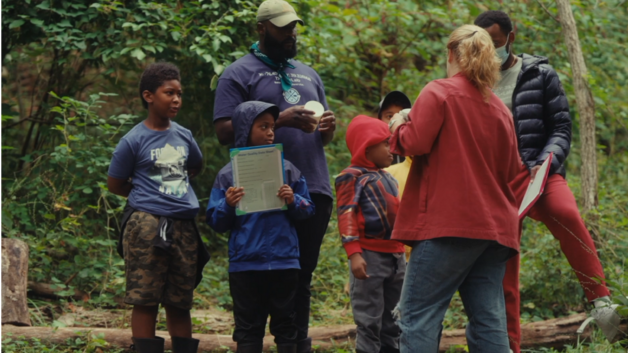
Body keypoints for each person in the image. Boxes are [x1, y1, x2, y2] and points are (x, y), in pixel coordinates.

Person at [474, 11, 619, 351]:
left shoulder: (539, 74)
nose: (490, 50)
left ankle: (602, 303)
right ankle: (509, 343)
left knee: (566, 213)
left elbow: (561, 127)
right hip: (499, 183)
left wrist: (546, 162)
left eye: (495, 43)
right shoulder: (475, 79)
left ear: (511, 37)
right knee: (503, 260)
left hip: (541, 170)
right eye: (484, 44)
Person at [388, 25, 522, 352]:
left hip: (447, 226)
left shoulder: (439, 92)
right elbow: (513, 169)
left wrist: (398, 125)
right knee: (489, 321)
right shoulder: (499, 109)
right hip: (494, 231)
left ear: (450, 54)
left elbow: (415, 142)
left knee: (417, 317)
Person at [212, 1, 336, 350]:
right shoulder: (238, 73)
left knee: (301, 276)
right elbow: (224, 131)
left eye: (293, 27)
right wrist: (280, 119)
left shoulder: (308, 73)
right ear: (262, 28)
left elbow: (322, 137)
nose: (290, 34)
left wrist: (327, 128)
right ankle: (252, 339)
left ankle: (295, 345)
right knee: (263, 275)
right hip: (260, 190)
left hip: (311, 185)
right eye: (282, 28)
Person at [107, 62, 210, 353]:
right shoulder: (133, 140)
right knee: (146, 298)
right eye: (169, 93)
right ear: (149, 96)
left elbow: (195, 166)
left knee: (180, 300)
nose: (176, 99)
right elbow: (115, 184)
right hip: (147, 226)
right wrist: (147, 196)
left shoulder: (184, 135)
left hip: (184, 226)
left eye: (179, 93)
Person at [206, 101, 315, 353]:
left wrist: (293, 200)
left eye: (272, 127)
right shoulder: (228, 175)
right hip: (246, 264)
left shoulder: (288, 170)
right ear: (245, 129)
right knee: (247, 328)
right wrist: (228, 205)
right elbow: (215, 220)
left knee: (287, 326)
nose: (270, 133)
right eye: (263, 126)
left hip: (284, 261)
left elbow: (308, 209)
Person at [335, 115, 406, 353]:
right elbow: (346, 213)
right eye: (386, 143)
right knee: (369, 319)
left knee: (394, 319)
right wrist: (354, 253)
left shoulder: (388, 177)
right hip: (369, 257)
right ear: (367, 145)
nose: (391, 149)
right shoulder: (352, 176)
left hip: (397, 257)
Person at [377, 91, 412, 165]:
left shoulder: (415, 149)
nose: (395, 121)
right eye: (389, 116)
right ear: (379, 119)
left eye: (401, 116)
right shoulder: (374, 152)